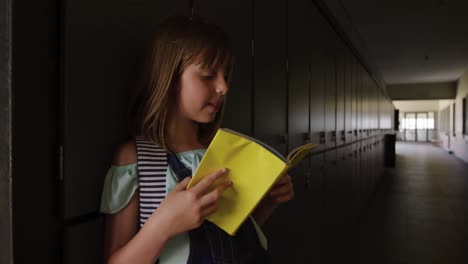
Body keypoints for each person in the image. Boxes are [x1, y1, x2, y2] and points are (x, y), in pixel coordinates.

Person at [100, 15, 294, 264]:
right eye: (208, 75)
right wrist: (163, 225)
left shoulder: (223, 152)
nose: (223, 87)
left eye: (226, 75)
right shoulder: (137, 159)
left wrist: (266, 203)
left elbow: (229, 239)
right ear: (169, 78)